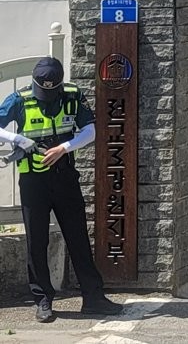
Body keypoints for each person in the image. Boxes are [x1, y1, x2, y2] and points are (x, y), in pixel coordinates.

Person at [0, 57, 122, 323]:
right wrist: (18, 138)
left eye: (51, 90)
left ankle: (93, 298)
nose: (46, 96)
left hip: (65, 177)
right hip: (33, 179)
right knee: (37, 241)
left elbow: (90, 131)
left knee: (78, 237)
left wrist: (64, 148)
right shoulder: (19, 99)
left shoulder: (72, 95)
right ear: (34, 83)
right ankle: (43, 300)